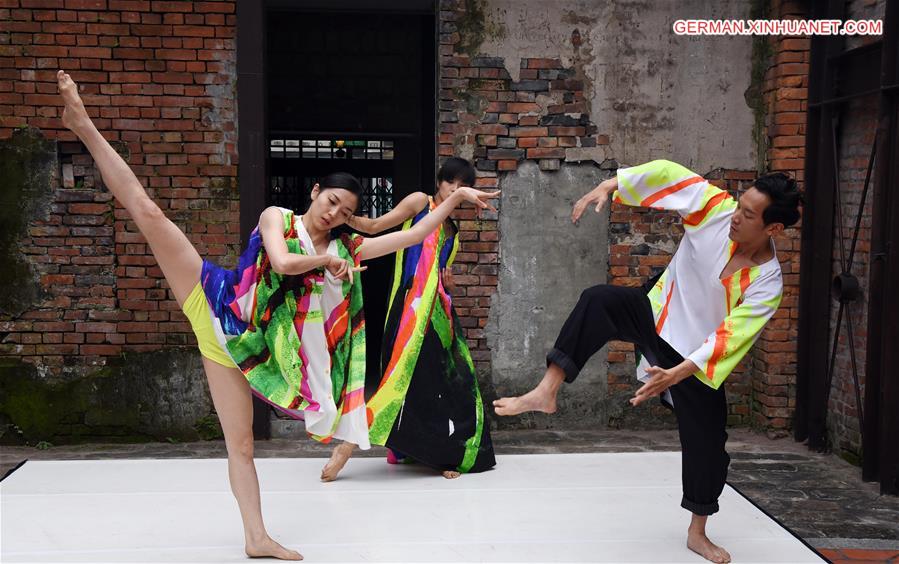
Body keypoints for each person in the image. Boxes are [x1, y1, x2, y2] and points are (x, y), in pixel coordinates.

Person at [56, 70, 498, 561]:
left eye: (346, 211)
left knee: (241, 445)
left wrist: (453, 199)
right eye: (331, 202)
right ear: (315, 193)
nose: (334, 214)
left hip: (247, 349)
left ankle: (256, 538)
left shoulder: (349, 247)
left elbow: (411, 237)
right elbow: (285, 264)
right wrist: (324, 261)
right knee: (149, 213)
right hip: (218, 303)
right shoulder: (277, 218)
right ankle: (83, 125)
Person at [493, 159, 801, 564]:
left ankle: (697, 533)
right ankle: (546, 391)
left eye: (748, 214)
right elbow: (670, 176)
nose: (736, 216)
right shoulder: (716, 210)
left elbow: (730, 338)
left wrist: (676, 373)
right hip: (658, 311)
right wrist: (611, 185)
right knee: (598, 300)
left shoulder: (767, 281)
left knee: (708, 446)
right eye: (739, 205)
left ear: (773, 229)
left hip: (693, 357)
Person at [342, 157, 495, 480]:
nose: (456, 189)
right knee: (403, 374)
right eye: (451, 182)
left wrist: (449, 285)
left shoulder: (454, 230)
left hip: (437, 312)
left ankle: (432, 450)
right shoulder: (419, 202)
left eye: (463, 185)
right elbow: (374, 228)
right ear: (439, 182)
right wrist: (341, 215)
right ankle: (382, 444)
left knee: (444, 379)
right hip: (408, 306)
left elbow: (439, 276)